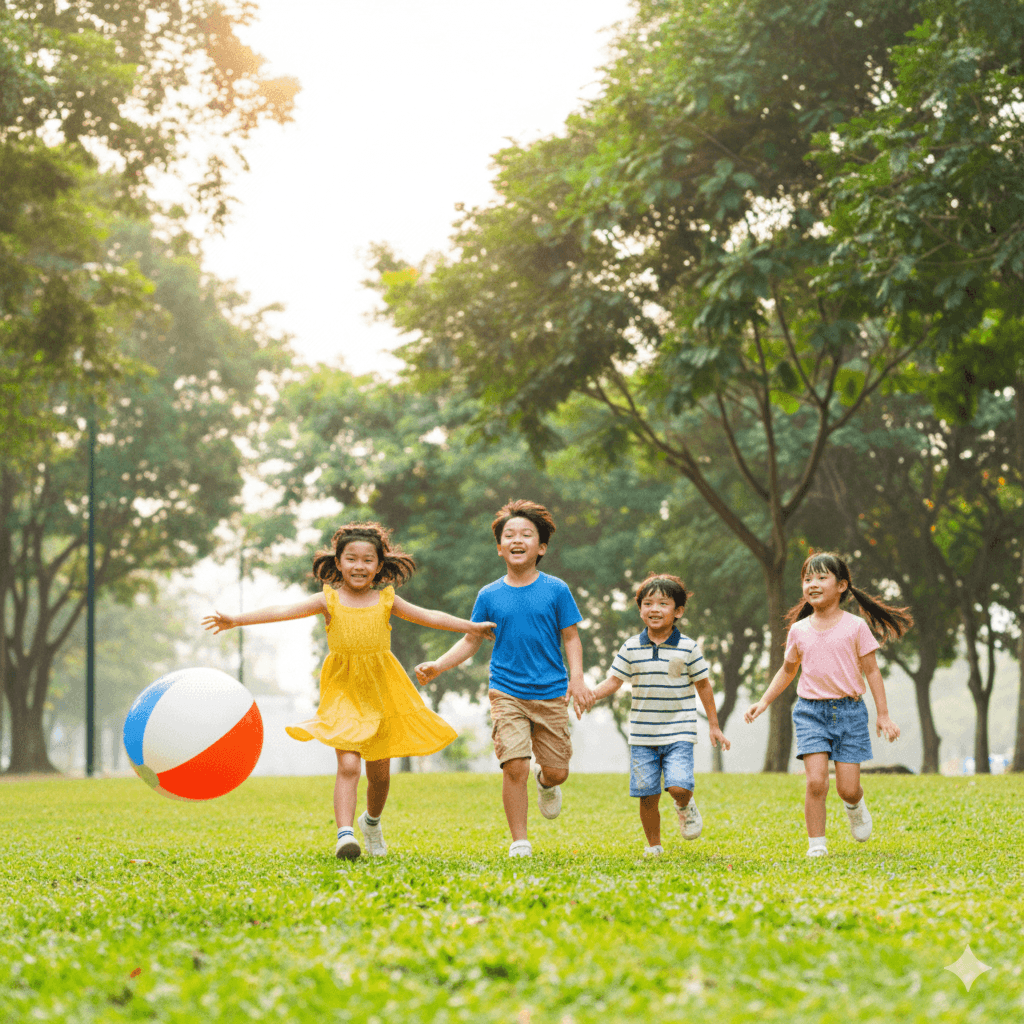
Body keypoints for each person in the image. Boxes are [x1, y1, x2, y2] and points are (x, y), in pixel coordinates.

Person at [203, 521, 495, 861]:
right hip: (343, 691)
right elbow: (282, 610)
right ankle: (345, 836)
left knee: (380, 775)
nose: (359, 566)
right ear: (338, 562)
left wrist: (470, 626)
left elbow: (428, 616)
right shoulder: (328, 600)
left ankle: (371, 822)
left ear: (380, 565)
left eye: (368, 559)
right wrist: (236, 619)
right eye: (351, 558)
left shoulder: (386, 599)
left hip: (382, 690)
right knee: (348, 766)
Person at [415, 499, 594, 858]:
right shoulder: (489, 595)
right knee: (515, 764)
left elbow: (571, 637)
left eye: (527, 534)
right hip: (506, 691)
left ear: (541, 547)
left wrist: (578, 680)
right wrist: (439, 665)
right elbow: (471, 639)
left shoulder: (556, 590)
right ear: (499, 548)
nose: (517, 539)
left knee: (557, 771)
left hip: (551, 691)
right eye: (509, 534)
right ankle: (520, 841)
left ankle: (547, 784)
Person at [744, 551, 913, 857]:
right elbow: (787, 670)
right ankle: (817, 845)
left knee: (846, 787)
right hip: (810, 712)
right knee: (816, 782)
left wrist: (883, 715)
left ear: (842, 586)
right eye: (808, 579)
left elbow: (872, 671)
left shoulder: (855, 626)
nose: (813, 584)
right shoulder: (799, 630)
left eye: (822, 577)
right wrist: (764, 701)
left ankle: (855, 805)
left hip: (849, 712)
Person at [590, 573, 730, 856]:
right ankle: (654, 845)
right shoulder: (631, 647)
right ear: (640, 608)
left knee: (679, 787)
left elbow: (703, 684)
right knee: (647, 794)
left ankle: (684, 805)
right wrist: (590, 695)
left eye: (663, 603)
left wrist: (714, 726)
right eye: (647, 603)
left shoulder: (689, 647)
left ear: (678, 611)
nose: (654, 609)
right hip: (642, 734)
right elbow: (614, 681)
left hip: (679, 730)